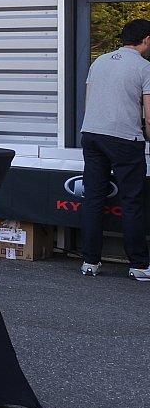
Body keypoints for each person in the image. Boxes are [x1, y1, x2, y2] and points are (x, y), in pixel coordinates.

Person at [78, 18, 150, 280]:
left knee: (93, 198)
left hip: (92, 134)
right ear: (147, 40)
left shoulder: (99, 62)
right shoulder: (144, 67)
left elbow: (89, 103)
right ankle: (139, 265)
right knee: (131, 201)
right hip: (125, 139)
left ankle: (90, 262)